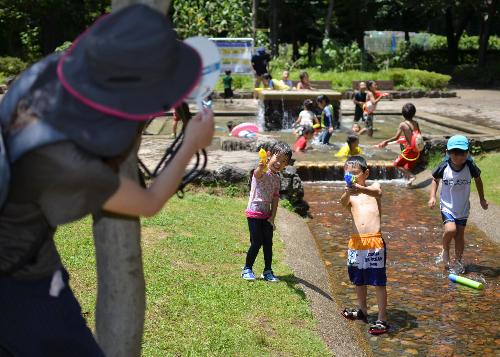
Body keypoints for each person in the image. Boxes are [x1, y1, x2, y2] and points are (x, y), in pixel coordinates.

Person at [0, 5, 214, 356]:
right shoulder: (70, 164)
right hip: (23, 281)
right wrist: (191, 143)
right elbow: (148, 202)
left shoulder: (39, 80)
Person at [340, 156, 388, 335]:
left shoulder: (373, 187)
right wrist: (348, 192)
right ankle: (362, 310)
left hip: (374, 242)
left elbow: (378, 192)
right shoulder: (350, 195)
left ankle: (382, 318)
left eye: (355, 173)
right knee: (358, 279)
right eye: (348, 173)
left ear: (365, 173)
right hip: (356, 243)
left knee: (378, 281)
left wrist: (359, 188)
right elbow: (343, 202)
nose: (351, 176)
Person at [428, 135, 488, 272]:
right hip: (447, 205)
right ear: (448, 152)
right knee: (451, 230)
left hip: (462, 207)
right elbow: (435, 179)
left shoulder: (470, 166)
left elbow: (478, 180)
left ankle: (458, 262)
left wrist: (482, 199)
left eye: (462, 153)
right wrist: (432, 197)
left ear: (467, 153)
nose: (458, 157)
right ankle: (445, 249)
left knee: (460, 235)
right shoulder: (444, 165)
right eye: (454, 153)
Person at [241, 142, 292, 282]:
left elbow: (275, 199)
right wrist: (261, 166)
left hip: (267, 215)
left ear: (286, 165)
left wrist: (273, 217)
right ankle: (247, 269)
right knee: (256, 242)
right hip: (254, 213)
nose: (279, 163)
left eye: (283, 162)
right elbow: (257, 175)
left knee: (268, 243)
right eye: (277, 158)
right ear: (269, 155)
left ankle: (267, 271)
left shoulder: (277, 178)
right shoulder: (262, 171)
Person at [376, 103, 421, 186]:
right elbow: (417, 135)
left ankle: (411, 176)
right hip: (416, 149)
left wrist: (386, 141)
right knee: (407, 167)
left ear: (403, 114)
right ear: (414, 113)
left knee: (396, 164)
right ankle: (409, 184)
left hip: (409, 149)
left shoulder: (403, 124)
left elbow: (396, 137)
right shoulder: (416, 123)